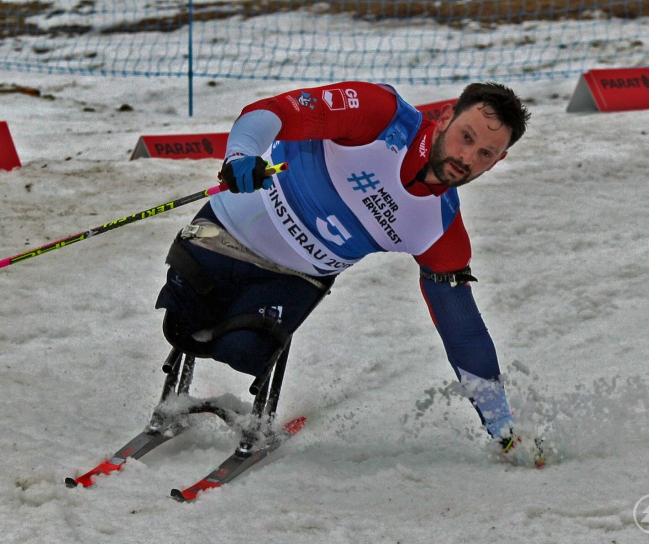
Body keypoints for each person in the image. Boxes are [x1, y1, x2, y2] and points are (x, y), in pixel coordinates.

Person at [155, 81, 541, 465]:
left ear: (497, 161)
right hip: (226, 230)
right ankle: (174, 395)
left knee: (241, 350)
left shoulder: (440, 231)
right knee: (181, 324)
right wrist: (241, 155)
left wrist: (504, 429)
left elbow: (464, 332)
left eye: (485, 153)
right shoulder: (379, 116)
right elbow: (271, 112)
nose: (467, 156)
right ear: (444, 118)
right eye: (466, 136)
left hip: (292, 279)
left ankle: (253, 405)